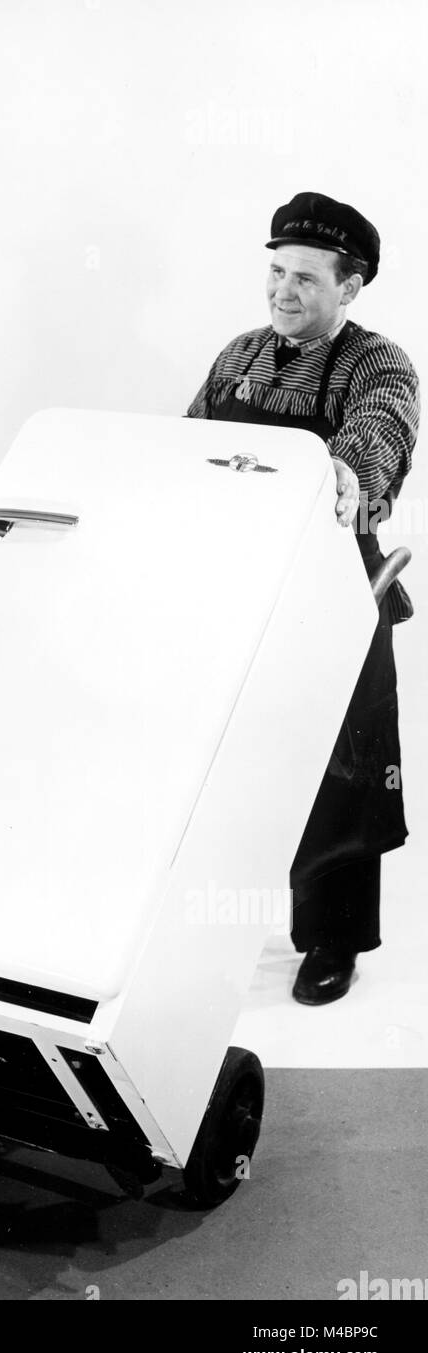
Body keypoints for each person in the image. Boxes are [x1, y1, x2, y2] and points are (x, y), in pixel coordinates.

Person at [186, 191, 419, 1006]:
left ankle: (332, 940)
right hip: (236, 586)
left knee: (342, 770)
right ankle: (208, 928)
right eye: (276, 272)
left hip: (332, 598)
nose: (283, 292)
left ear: (350, 288)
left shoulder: (378, 364)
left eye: (306, 280)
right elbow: (187, 446)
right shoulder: (238, 354)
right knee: (222, 760)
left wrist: (349, 472)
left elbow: (381, 432)